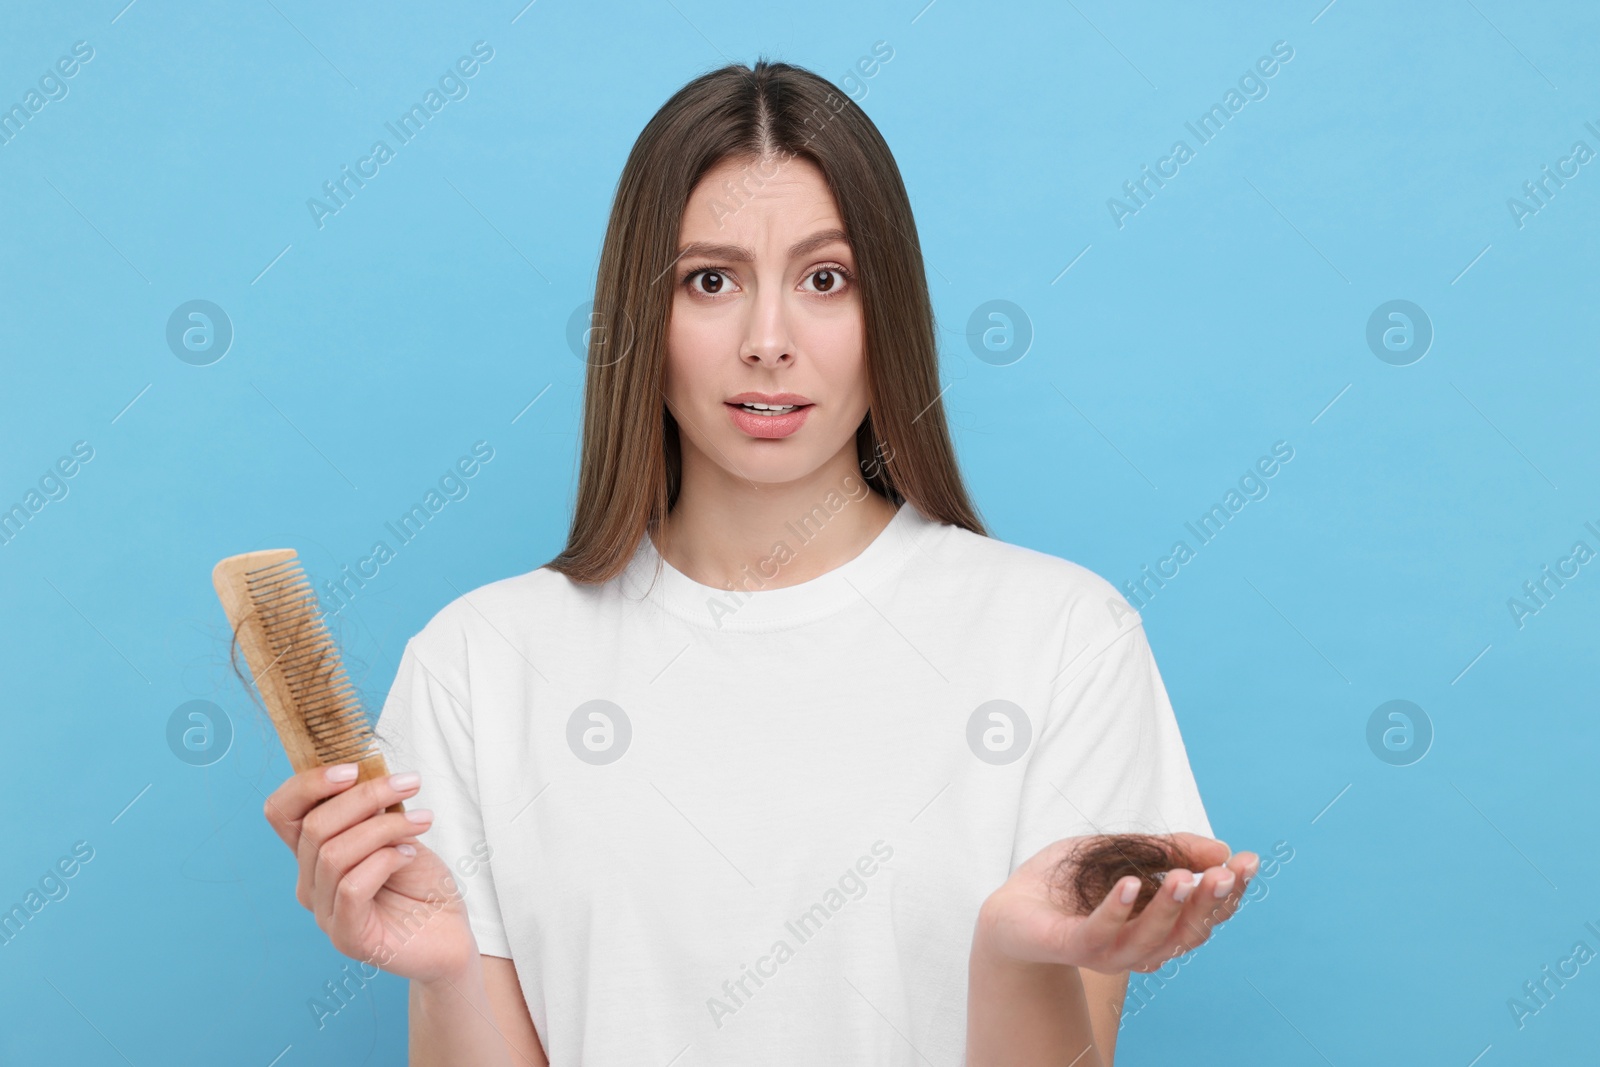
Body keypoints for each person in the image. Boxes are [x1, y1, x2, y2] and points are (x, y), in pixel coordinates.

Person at [261, 57, 1259, 1066]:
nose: (767, 340)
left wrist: (1009, 954)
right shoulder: (480, 662)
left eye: (825, 279)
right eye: (709, 280)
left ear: (888, 314)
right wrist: (442, 967)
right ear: (642, 317)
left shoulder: (1061, 639)